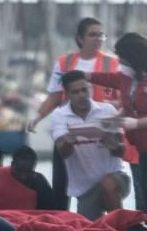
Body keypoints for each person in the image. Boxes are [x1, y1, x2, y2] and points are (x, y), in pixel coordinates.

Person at [86, 33, 147, 231]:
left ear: (134, 57)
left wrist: (135, 123)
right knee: (144, 192)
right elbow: (127, 100)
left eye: (123, 57)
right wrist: (114, 121)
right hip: (143, 145)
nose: (120, 62)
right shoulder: (135, 77)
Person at [27, 17, 120, 210]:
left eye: (101, 35)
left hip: (98, 131)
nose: (98, 39)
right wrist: (37, 117)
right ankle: (61, 224)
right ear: (80, 38)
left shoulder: (112, 63)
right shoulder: (64, 62)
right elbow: (54, 96)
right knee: (61, 182)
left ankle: (108, 221)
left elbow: (122, 97)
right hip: (69, 127)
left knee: (103, 181)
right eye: (92, 34)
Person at [49, 71, 130, 221]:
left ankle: (121, 229)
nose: (82, 95)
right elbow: (63, 152)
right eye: (76, 92)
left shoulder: (107, 110)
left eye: (84, 90)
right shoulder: (59, 116)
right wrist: (69, 139)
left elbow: (121, 151)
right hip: (85, 188)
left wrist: (108, 140)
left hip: (116, 177)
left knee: (108, 184)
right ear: (67, 94)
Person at [0, 146, 61, 211]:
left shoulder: (41, 185)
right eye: (19, 171)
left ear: (34, 168)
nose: (23, 176)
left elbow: (50, 214)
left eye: (28, 172)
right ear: (12, 164)